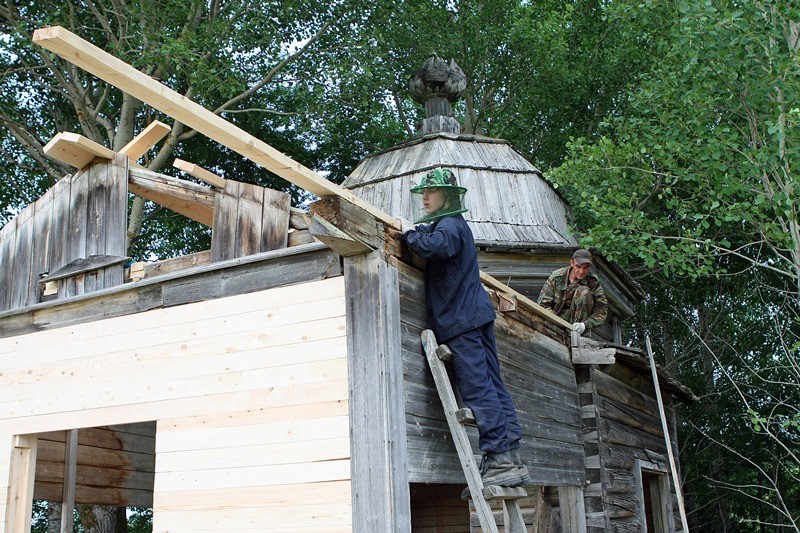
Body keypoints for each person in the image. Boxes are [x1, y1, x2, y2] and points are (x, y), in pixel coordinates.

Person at [396, 168, 532, 493]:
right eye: (424, 193)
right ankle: (510, 458)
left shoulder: (450, 225)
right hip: (474, 315)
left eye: (433, 192)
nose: (425, 198)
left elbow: (436, 246)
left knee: (477, 387)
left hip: (461, 320)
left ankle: (499, 460)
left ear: (449, 196)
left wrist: (408, 234)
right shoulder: (455, 225)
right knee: (494, 386)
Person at [538, 248, 608, 337]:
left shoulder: (593, 282)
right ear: (572, 263)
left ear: (590, 267)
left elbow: (602, 311)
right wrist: (554, 320)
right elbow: (543, 305)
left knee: (583, 291)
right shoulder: (556, 278)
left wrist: (584, 325)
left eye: (585, 268)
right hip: (554, 322)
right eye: (578, 267)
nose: (581, 271)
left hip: (578, 328)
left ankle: (578, 336)